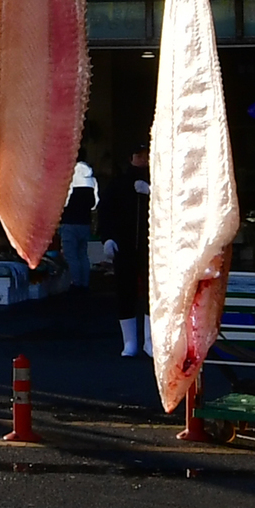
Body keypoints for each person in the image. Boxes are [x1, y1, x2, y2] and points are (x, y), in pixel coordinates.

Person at [96, 150, 151, 357]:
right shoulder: (118, 185)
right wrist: (108, 238)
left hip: (151, 247)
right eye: (138, 155)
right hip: (124, 245)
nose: (142, 159)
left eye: (145, 155)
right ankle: (129, 342)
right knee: (125, 292)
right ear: (131, 158)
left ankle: (150, 341)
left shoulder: (160, 181)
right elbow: (106, 212)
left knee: (151, 294)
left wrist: (151, 192)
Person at [59, 154, 97, 291]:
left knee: (71, 255)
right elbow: (94, 204)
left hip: (69, 222)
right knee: (82, 254)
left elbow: (63, 203)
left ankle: (75, 283)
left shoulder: (68, 178)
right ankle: (85, 283)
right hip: (85, 222)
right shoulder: (91, 180)